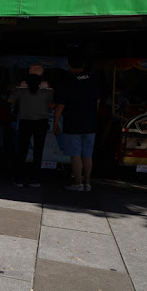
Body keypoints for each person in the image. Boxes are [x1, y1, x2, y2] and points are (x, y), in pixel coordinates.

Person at [53, 53, 100, 192]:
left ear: (69, 66)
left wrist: (56, 123)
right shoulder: (93, 80)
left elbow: (60, 106)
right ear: (84, 64)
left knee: (75, 155)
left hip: (73, 123)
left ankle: (78, 182)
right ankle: (88, 182)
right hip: (90, 124)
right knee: (87, 154)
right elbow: (98, 101)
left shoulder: (68, 81)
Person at [8, 65, 55, 188]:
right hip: (41, 121)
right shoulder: (47, 88)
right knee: (38, 151)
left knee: (22, 151)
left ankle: (19, 178)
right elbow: (51, 103)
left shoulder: (22, 87)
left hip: (25, 120)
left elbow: (11, 100)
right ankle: (35, 179)